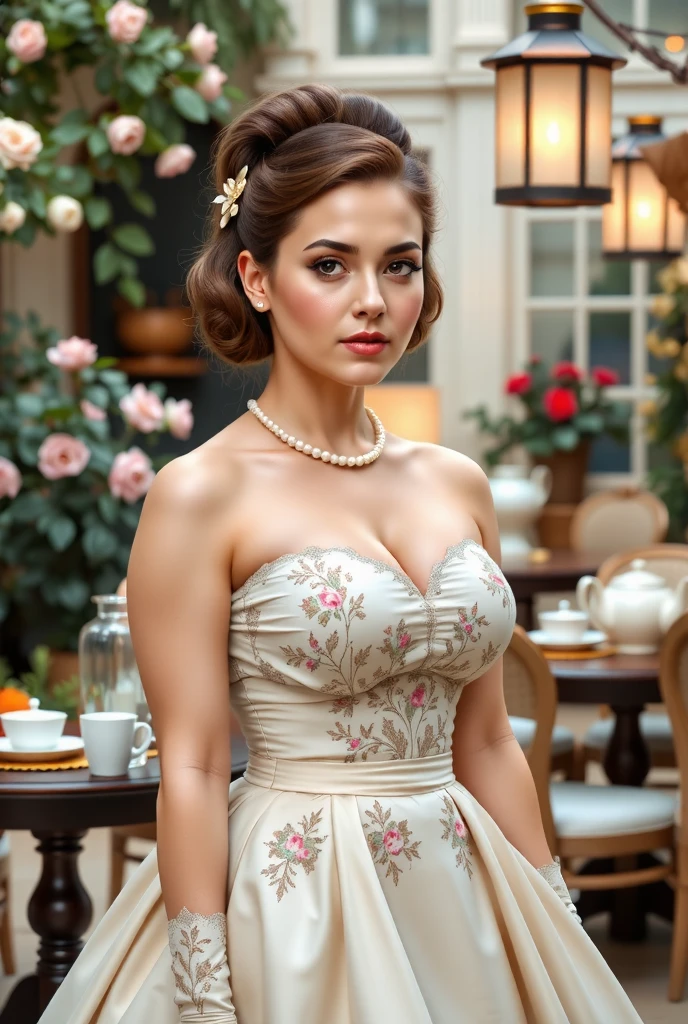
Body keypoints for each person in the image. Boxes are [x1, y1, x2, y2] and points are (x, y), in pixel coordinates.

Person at [39, 83, 643, 1024]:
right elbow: (195, 766)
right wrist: (205, 990)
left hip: (463, 882)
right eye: (330, 265)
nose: (373, 301)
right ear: (256, 279)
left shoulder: (456, 481)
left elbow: (485, 739)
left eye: (399, 266)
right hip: (295, 903)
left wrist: (551, 915)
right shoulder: (201, 493)